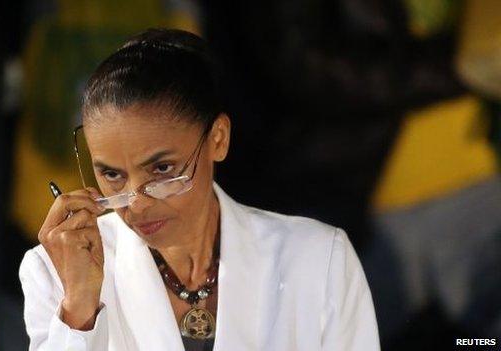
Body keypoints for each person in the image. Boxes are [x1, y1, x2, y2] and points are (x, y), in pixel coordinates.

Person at [19, 28, 380, 350]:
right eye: (111, 175)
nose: (138, 203)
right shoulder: (55, 274)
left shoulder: (318, 260)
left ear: (218, 140)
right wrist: (79, 310)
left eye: (162, 169)